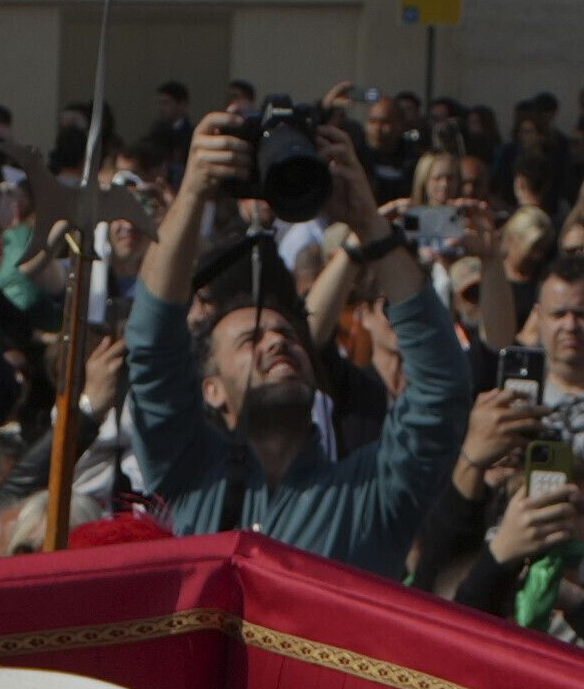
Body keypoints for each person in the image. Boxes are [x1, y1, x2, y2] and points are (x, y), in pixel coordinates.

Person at [109, 111, 476, 570]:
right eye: (250, 340)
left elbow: (441, 390)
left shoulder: (373, 494)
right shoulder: (187, 473)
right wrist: (193, 193)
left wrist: (370, 224)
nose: (277, 344)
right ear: (213, 389)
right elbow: (151, 344)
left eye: (287, 334)